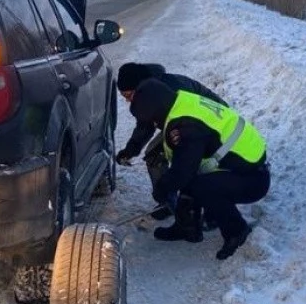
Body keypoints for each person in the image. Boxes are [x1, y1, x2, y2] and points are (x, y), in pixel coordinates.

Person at [128, 78, 270, 260]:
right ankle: (187, 227)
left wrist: (162, 189)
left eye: (152, 121)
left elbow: (182, 172)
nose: (154, 125)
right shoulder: (181, 101)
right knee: (193, 173)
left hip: (252, 180)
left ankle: (237, 231)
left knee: (199, 184)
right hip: (242, 167)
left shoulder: (187, 126)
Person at [113, 62, 229, 221]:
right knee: (155, 153)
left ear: (138, 86)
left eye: (128, 95)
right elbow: (145, 125)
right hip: (188, 125)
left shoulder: (172, 88)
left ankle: (213, 210)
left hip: (214, 125)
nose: (128, 101)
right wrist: (130, 150)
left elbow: (194, 124)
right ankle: (167, 202)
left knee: (196, 163)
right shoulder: (149, 93)